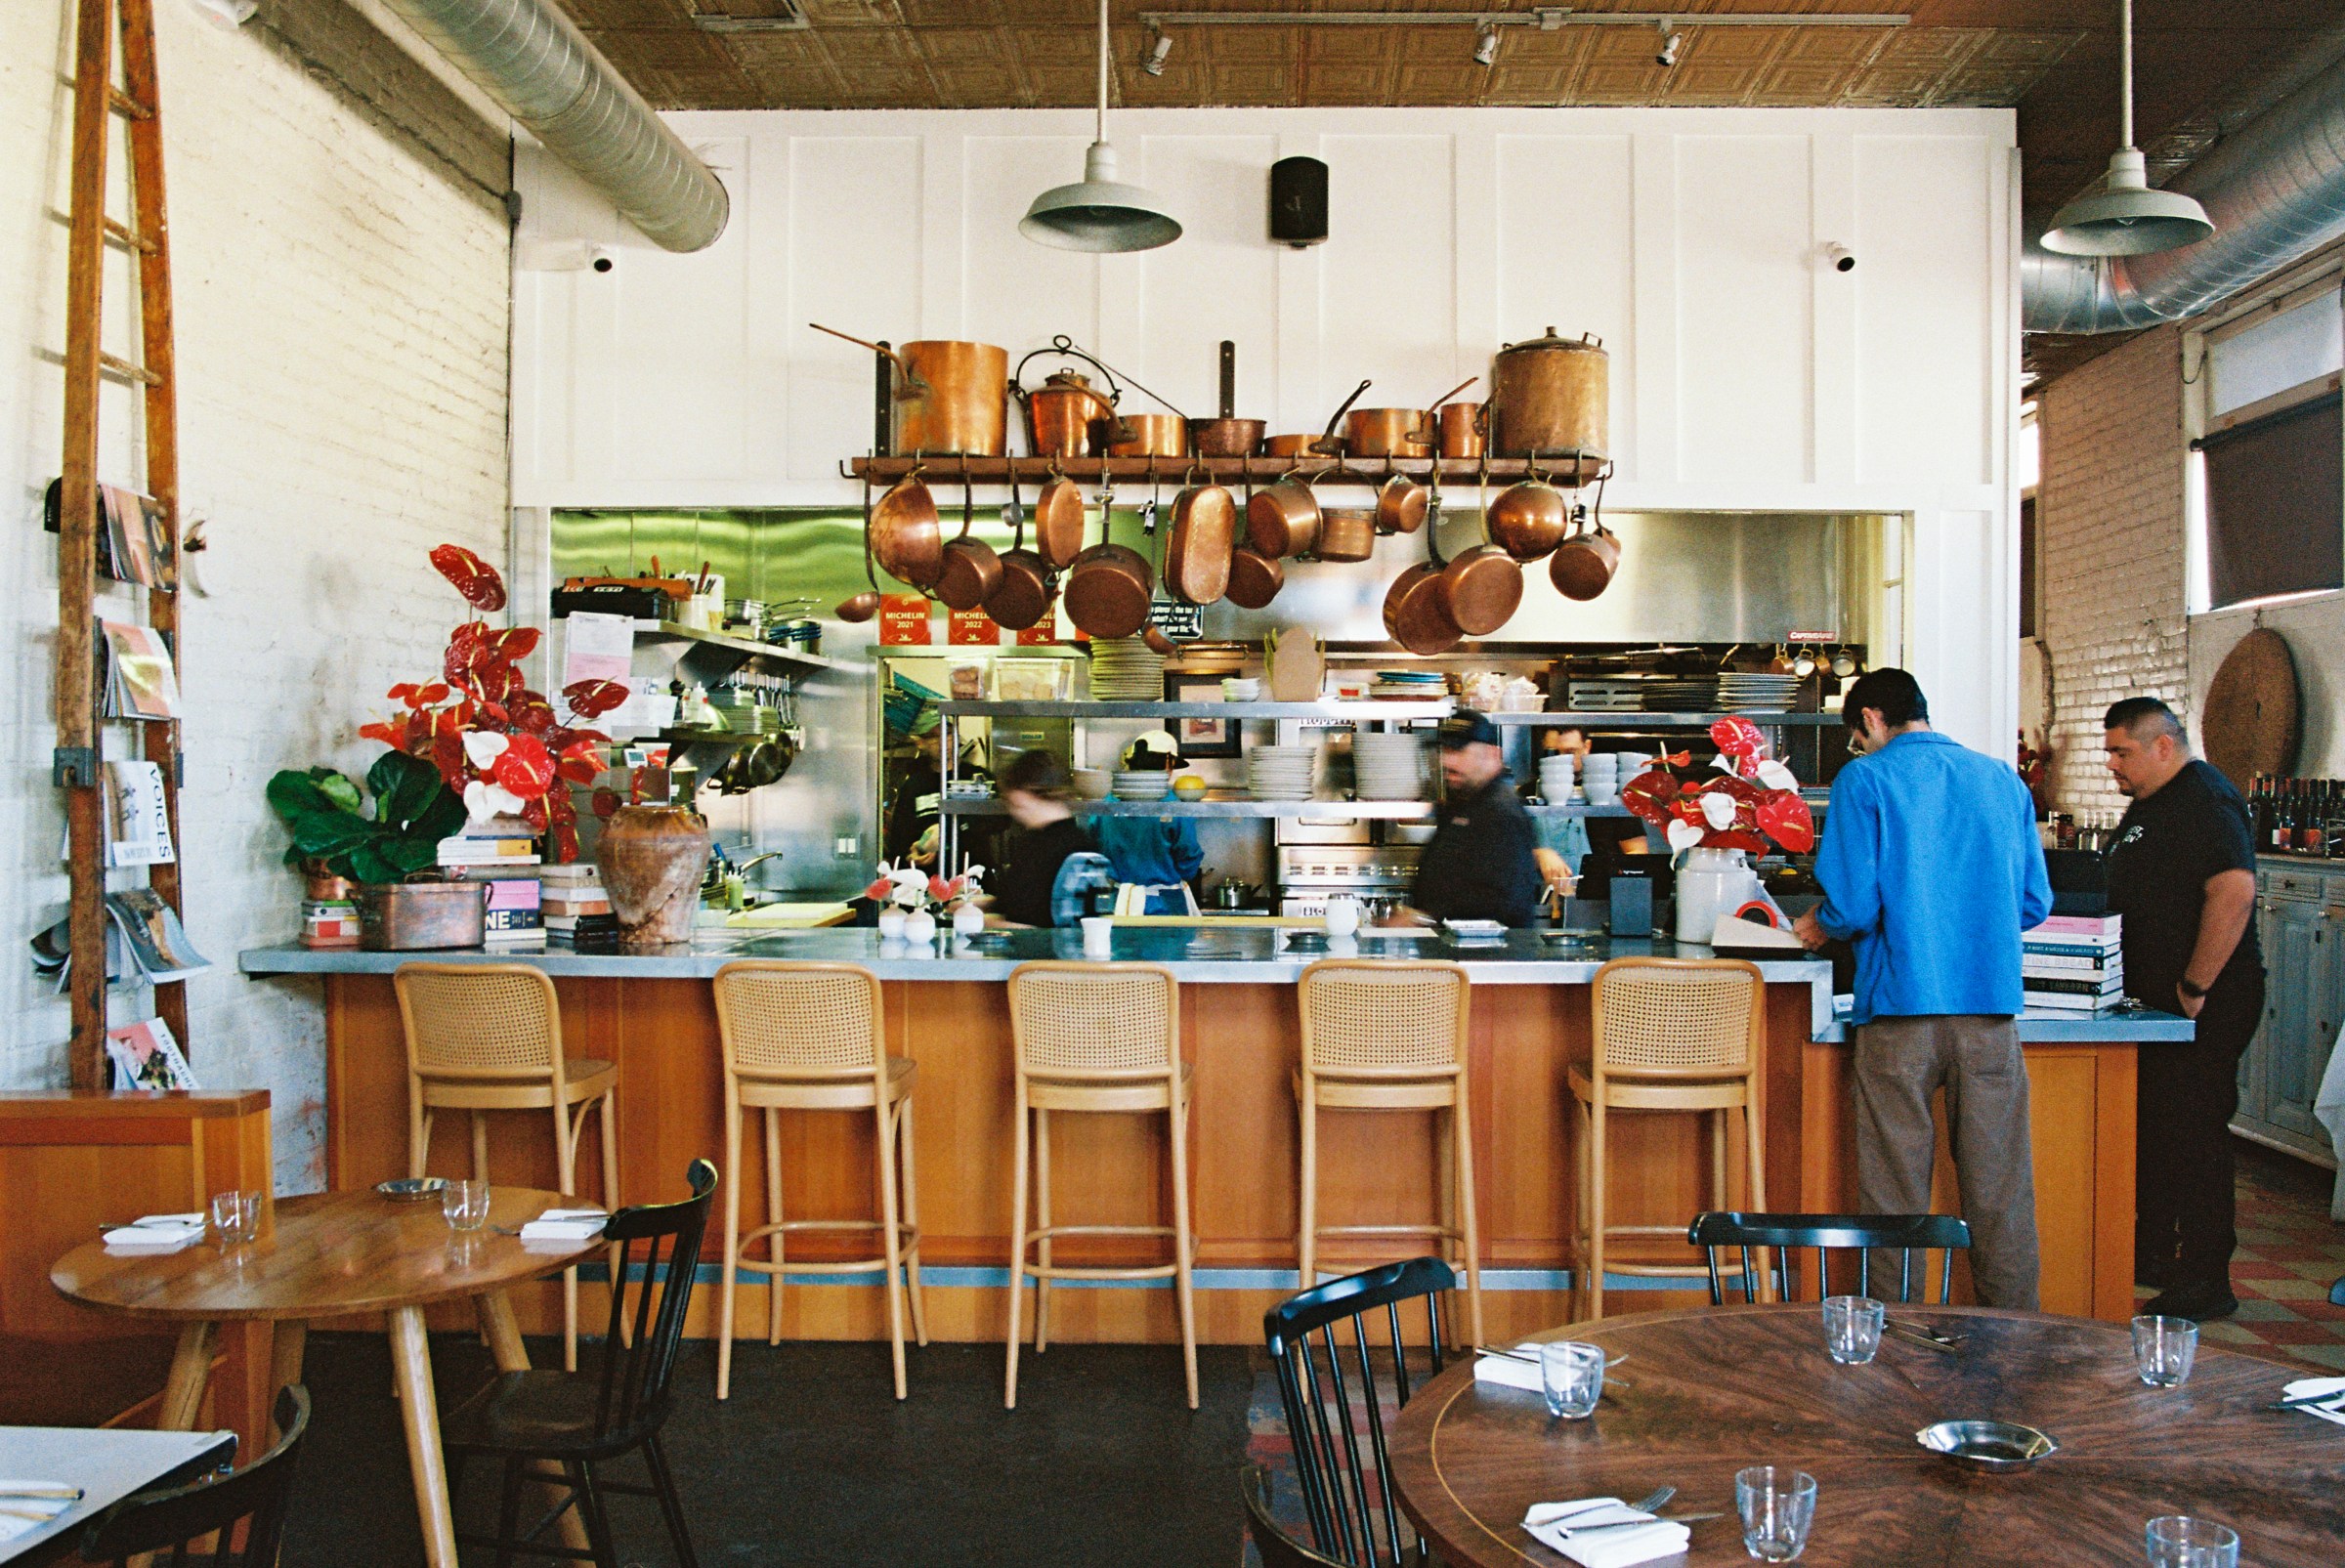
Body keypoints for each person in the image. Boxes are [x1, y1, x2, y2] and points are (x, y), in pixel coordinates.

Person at [1790, 668, 2052, 1310]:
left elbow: (1850, 905)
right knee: (2001, 1191)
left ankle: (1897, 1343)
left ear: (1873, 717)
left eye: (1859, 734)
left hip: (1900, 1013)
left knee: (1894, 1193)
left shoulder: (1866, 779)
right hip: (1989, 1014)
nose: (1861, 746)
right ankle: (2017, 1338)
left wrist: (1815, 926)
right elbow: (2034, 900)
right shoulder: (2000, 779)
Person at [2102, 697, 2264, 1321]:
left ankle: (2205, 1277)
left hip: (2203, 1001)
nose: (2112, 762)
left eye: (2122, 751)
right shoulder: (2153, 802)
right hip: (2157, 1001)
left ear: (2163, 745)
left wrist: (2194, 987)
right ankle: (2154, 1253)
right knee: (2158, 1127)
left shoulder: (2204, 800)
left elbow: (2233, 891)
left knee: (2194, 1132)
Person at [1405, 711, 1544, 927]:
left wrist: (1424, 917)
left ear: (1492, 754)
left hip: (1489, 955)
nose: (1446, 760)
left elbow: (1500, 901)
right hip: (1456, 952)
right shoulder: (1463, 800)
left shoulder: (1502, 811)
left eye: (1459, 751)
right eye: (1446, 750)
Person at [984, 749, 1097, 929]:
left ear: (1030, 790)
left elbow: (1042, 930)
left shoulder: (1063, 849)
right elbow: (1019, 901)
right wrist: (979, 905)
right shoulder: (1051, 839)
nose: (1011, 807)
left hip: (1045, 955)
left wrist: (981, 922)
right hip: (1035, 953)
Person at [1093, 740, 1204, 915]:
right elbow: (1188, 855)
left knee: (1119, 943)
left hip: (1117, 902)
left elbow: (1093, 845)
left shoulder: (1108, 802)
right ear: (1168, 764)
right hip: (1164, 905)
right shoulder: (1173, 805)